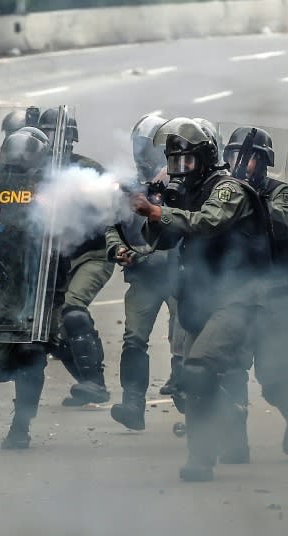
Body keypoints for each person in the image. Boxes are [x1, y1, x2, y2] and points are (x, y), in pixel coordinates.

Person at [133, 117, 271, 482]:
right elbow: (158, 241)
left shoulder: (229, 188)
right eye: (175, 163)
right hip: (200, 296)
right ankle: (204, 452)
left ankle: (205, 453)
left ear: (206, 158)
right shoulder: (184, 192)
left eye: (187, 163)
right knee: (191, 378)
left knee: (199, 368)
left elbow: (208, 223)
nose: (181, 171)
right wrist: (157, 203)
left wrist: (160, 211)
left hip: (238, 295)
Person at [221, 126, 288, 458]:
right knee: (229, 369)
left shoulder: (281, 192)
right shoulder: (224, 193)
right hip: (236, 296)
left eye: (246, 158)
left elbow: (285, 223)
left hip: (279, 298)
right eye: (234, 156)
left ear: (262, 162)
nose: (239, 163)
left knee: (274, 375)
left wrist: (250, 199)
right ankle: (233, 444)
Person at [0, 126, 54, 449]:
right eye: (11, 165)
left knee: (30, 352)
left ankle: (21, 424)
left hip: (41, 280)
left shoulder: (55, 189)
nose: (16, 171)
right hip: (4, 279)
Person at [108, 113, 182, 430]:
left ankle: (193, 410)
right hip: (143, 276)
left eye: (147, 147)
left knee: (185, 343)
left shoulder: (183, 181)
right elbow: (112, 228)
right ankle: (133, 404)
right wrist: (119, 250)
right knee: (134, 340)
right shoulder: (127, 186)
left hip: (180, 275)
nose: (142, 154)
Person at [37, 108, 115, 406]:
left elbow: (112, 209)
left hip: (90, 255)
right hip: (51, 262)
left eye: (59, 135)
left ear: (71, 138)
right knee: (49, 332)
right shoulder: (32, 171)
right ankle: (88, 384)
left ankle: (95, 383)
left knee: (72, 311)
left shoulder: (88, 170)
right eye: (48, 134)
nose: (54, 141)